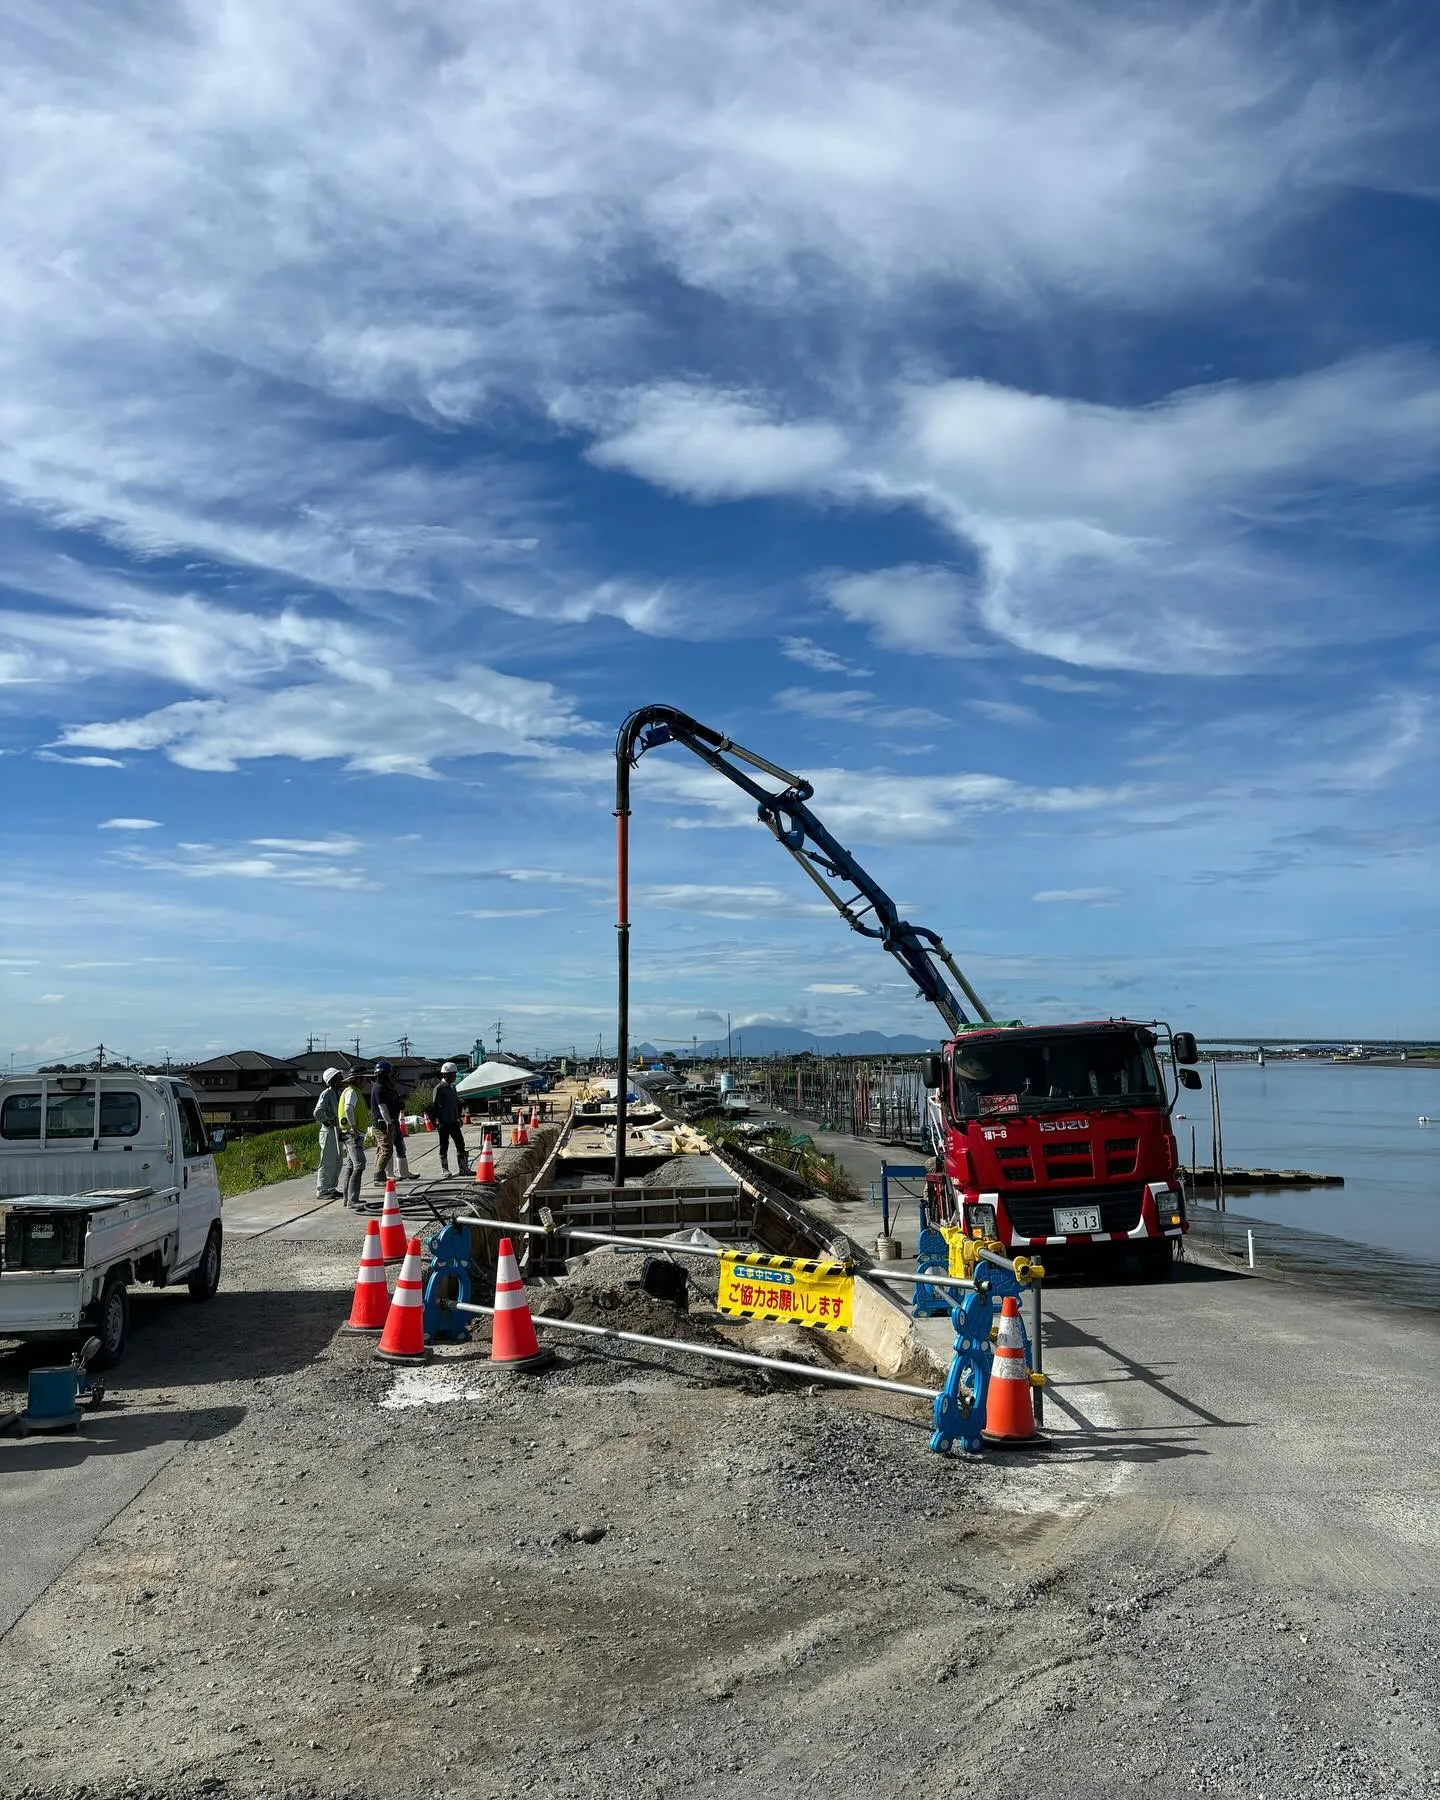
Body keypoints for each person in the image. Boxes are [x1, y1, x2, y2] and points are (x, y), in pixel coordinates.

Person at [369, 1059, 413, 1186]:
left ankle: (398, 1173)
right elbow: (382, 1107)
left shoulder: (387, 1088)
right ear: (384, 1074)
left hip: (391, 1122)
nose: (392, 1077)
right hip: (383, 1124)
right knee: (386, 1151)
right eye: (390, 1074)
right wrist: (389, 1122)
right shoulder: (379, 1089)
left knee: (386, 1149)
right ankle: (380, 1177)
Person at [337, 1070, 371, 1210]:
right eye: (364, 1079)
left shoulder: (350, 1091)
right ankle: (352, 1199)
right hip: (353, 1134)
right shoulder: (352, 1092)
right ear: (357, 1079)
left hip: (351, 1133)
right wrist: (354, 1126)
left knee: (351, 1165)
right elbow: (348, 1108)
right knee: (359, 1164)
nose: (366, 1082)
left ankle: (348, 1198)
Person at [433, 1061, 470, 1178]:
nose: (454, 1077)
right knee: (444, 1145)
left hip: (454, 1121)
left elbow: (456, 1104)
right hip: (443, 1122)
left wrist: (458, 1117)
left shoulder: (452, 1088)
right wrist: (437, 1120)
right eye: (453, 1074)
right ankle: (445, 1169)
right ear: (446, 1075)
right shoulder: (439, 1088)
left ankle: (463, 1168)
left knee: (460, 1143)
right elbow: (434, 1106)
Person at [312, 1067, 344, 1200]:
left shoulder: (339, 1093)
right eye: (338, 1077)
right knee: (327, 1161)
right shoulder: (326, 1094)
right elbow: (317, 1112)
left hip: (338, 1130)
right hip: (329, 1131)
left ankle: (331, 1187)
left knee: (338, 1160)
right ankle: (322, 1189)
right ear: (332, 1080)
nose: (341, 1079)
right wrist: (328, 1121)